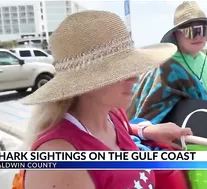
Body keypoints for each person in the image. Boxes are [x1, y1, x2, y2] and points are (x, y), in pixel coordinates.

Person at [11, 10, 193, 189]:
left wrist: (147, 131)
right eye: (120, 72)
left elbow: (125, 130)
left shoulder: (112, 116)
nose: (135, 78)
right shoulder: (60, 163)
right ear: (85, 83)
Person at [126, 1, 207, 124]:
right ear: (176, 34)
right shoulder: (165, 66)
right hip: (173, 139)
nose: (198, 37)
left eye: (202, 30)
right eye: (190, 31)